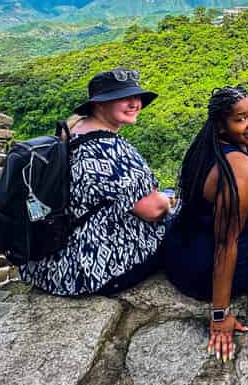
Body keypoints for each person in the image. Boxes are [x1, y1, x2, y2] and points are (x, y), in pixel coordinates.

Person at [19, 68, 171, 296]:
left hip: (48, 266)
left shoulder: (69, 134)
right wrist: (168, 201)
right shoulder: (110, 149)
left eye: (136, 96)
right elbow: (153, 210)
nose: (134, 103)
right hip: (87, 271)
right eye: (123, 98)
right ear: (99, 104)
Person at [165, 86, 248, 362]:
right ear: (221, 126)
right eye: (241, 119)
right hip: (208, 270)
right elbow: (226, 242)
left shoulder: (210, 150)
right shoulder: (241, 168)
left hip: (183, 250)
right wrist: (219, 315)